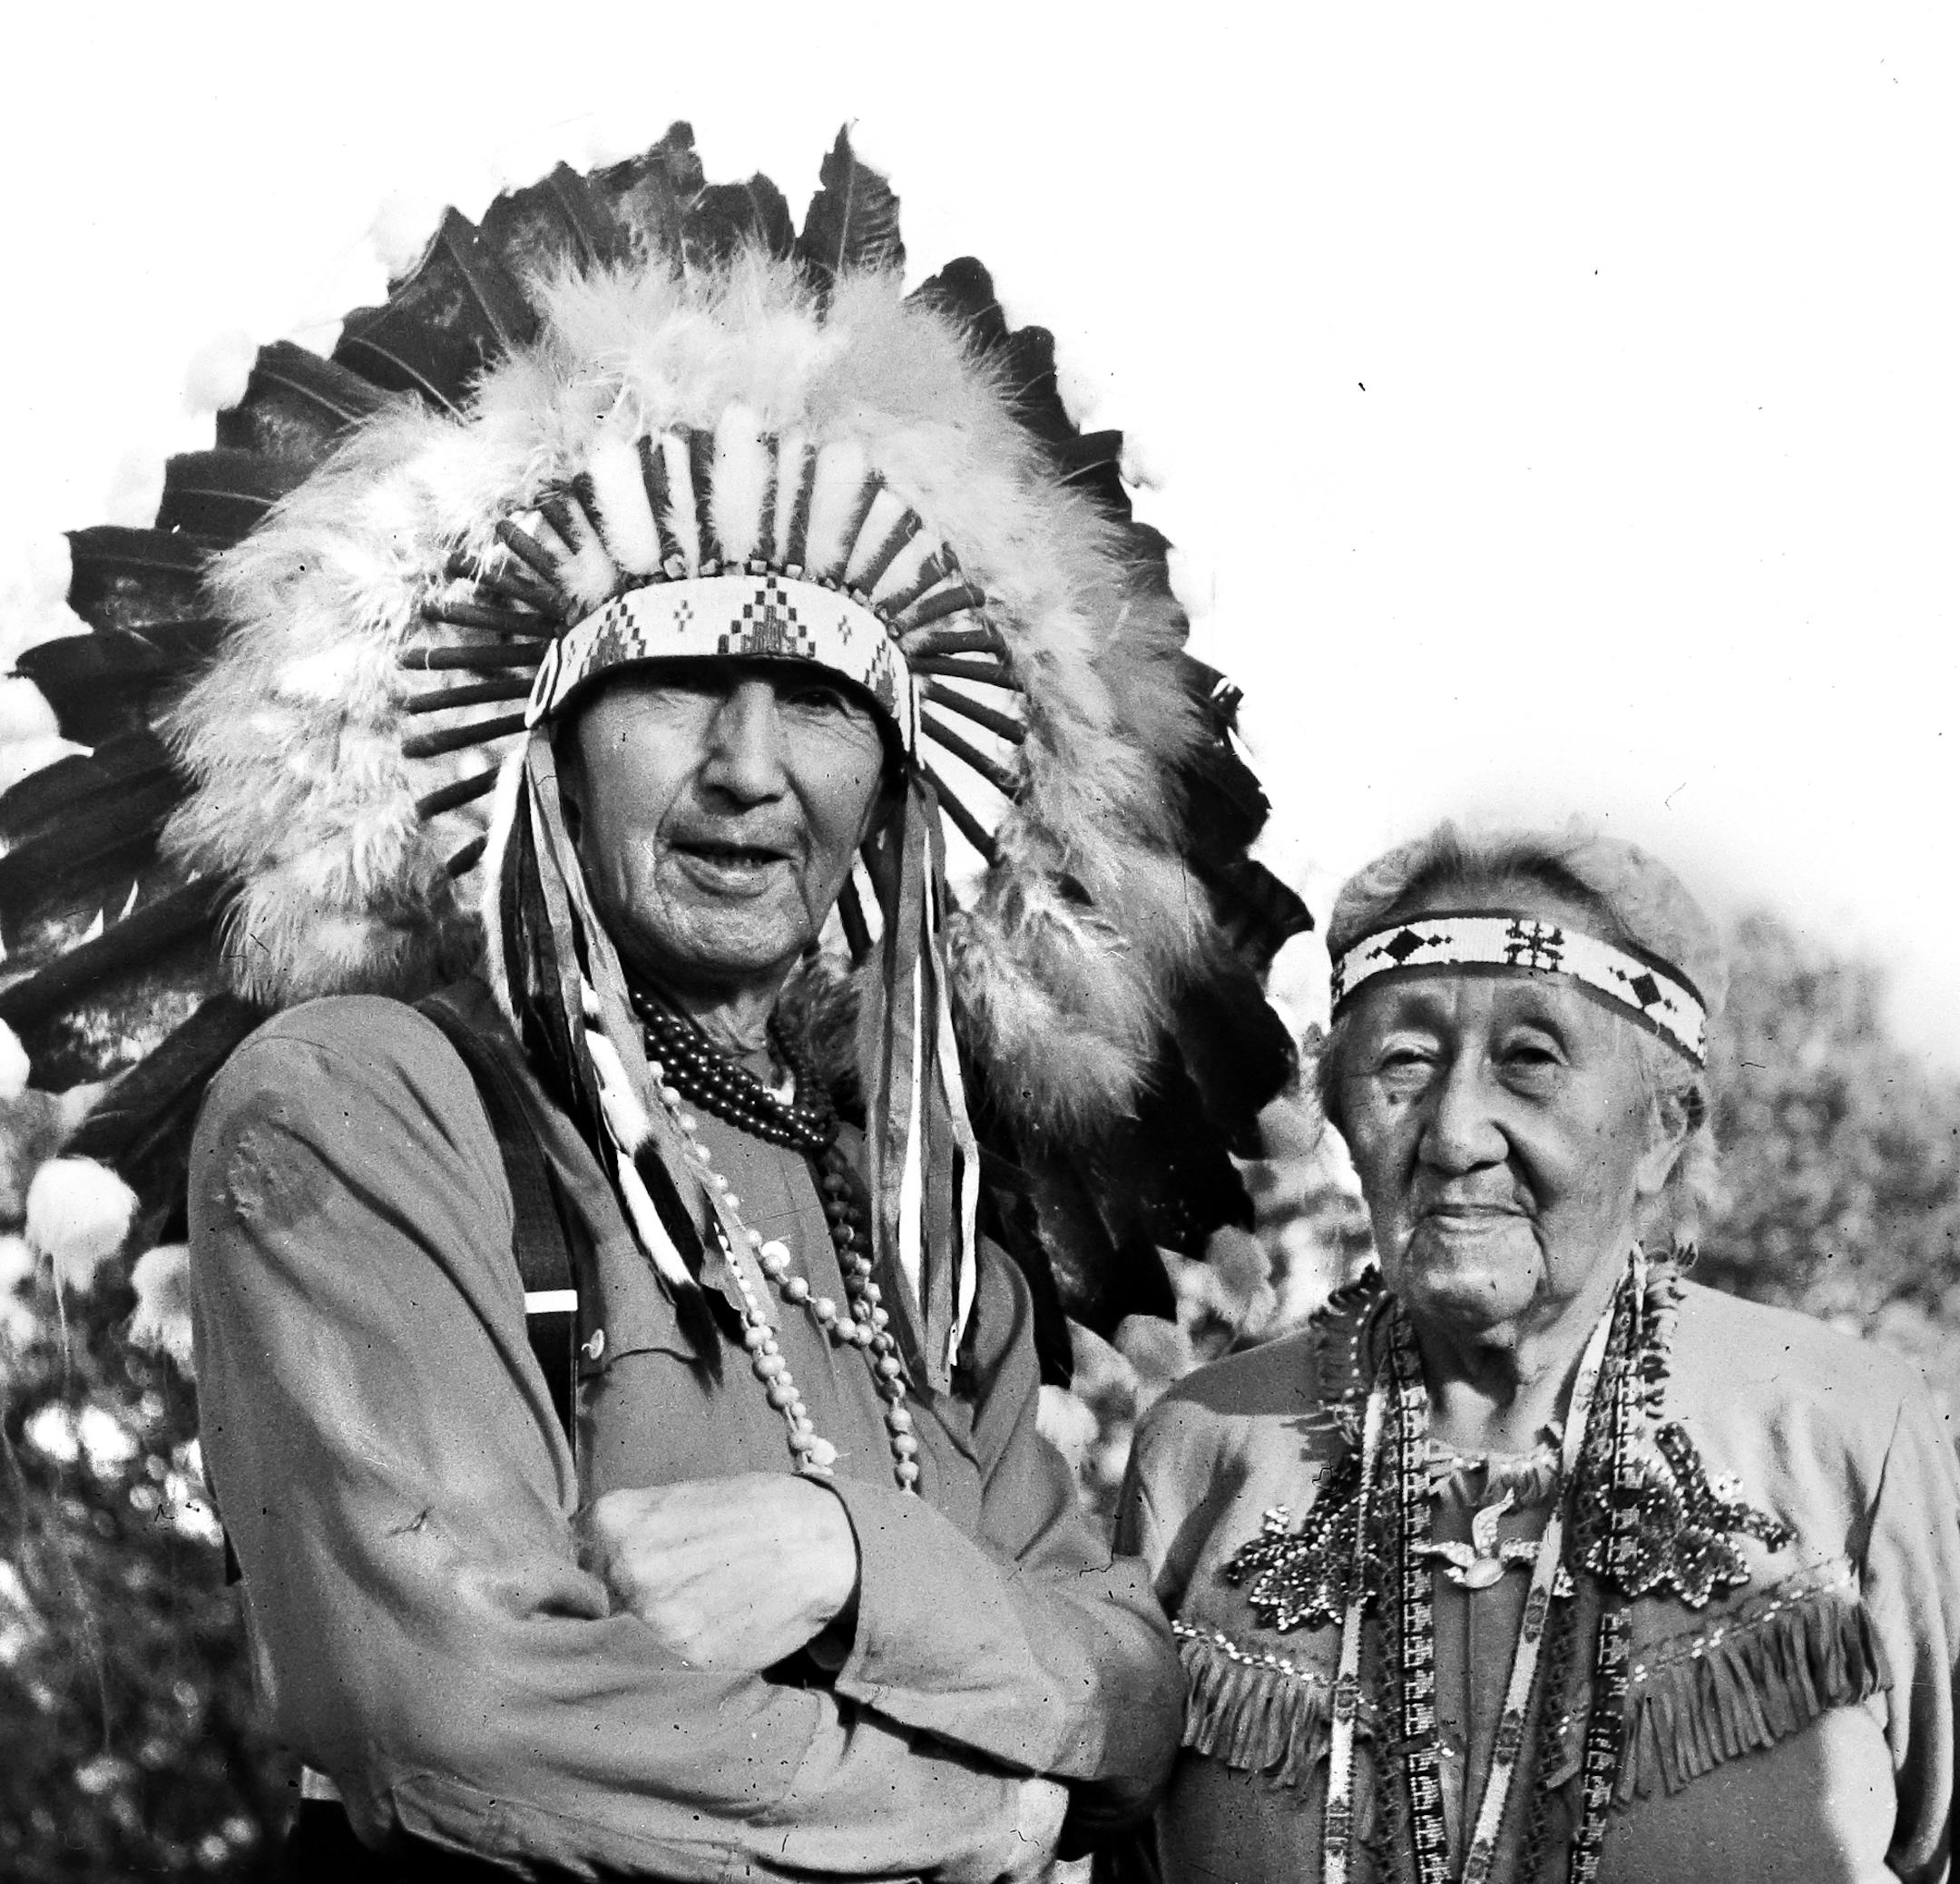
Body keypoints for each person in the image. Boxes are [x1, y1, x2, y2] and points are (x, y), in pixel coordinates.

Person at [53, 134, 1311, 1880]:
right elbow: (462, 1706)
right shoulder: (366, 1104)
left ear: (897, 772)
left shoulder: (929, 1250)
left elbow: (1140, 1691)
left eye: (813, 700)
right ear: (543, 751)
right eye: (669, 688)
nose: (744, 773)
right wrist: (979, 1806)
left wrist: (850, 1553)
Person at [1113, 823, 1960, 1883]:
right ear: (1341, 1115)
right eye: (1405, 1062)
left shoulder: (1840, 1426)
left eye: (1531, 1059)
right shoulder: (1201, 1449)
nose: (1457, 1132)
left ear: (1662, 1128)